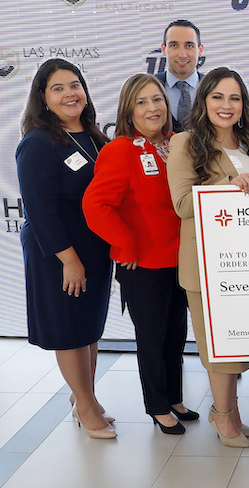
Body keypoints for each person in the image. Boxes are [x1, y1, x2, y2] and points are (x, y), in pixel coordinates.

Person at [82, 74, 197, 435]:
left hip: (181, 257)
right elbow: (96, 205)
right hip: (143, 263)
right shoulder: (119, 150)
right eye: (142, 102)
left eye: (158, 100)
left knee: (176, 336)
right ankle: (157, 406)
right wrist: (125, 245)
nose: (153, 108)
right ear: (129, 110)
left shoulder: (179, 143)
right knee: (152, 337)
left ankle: (175, 397)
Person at [167, 67, 249, 448]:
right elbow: (181, 204)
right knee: (218, 345)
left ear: (244, 106)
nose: (226, 106)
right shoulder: (185, 143)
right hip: (208, 264)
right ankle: (221, 415)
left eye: (234, 98)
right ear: (203, 101)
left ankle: (231, 410)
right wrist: (225, 186)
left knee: (239, 342)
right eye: (217, 97)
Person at [16, 58, 114, 439]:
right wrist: (68, 260)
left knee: (87, 328)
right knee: (69, 330)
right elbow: (40, 211)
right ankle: (85, 406)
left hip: (94, 250)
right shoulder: (38, 143)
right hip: (59, 252)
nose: (69, 93)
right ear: (43, 97)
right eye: (58, 88)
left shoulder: (93, 137)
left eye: (74, 85)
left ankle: (85, 397)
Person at [155, 19, 204, 132]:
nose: (182, 55)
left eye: (189, 46)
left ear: (200, 50)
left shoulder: (214, 88)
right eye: (174, 45)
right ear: (163, 49)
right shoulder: (147, 88)